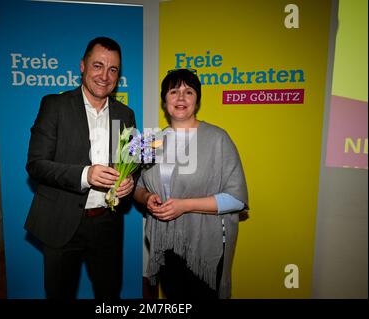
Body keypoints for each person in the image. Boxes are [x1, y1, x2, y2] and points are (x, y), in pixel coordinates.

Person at [25, 37, 136, 299]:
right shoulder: (55, 105)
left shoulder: (126, 114)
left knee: (109, 295)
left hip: (108, 225)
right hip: (61, 222)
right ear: (82, 66)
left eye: (113, 69)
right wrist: (86, 175)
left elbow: (130, 162)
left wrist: (129, 180)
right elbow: (36, 164)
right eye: (98, 65)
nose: (105, 76)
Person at [134, 68, 248, 299]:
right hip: (166, 244)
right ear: (165, 100)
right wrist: (147, 198)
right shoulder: (150, 142)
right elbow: (137, 187)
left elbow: (236, 199)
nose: (181, 98)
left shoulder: (218, 139)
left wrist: (184, 205)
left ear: (197, 100)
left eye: (189, 91)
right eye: (173, 91)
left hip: (204, 246)